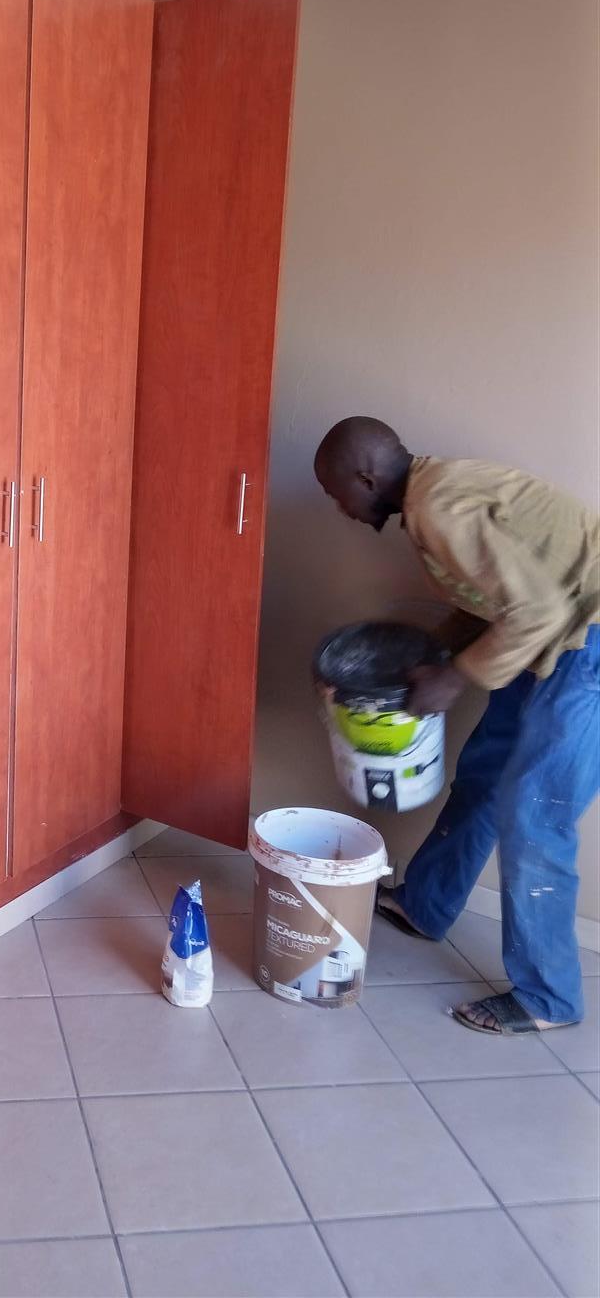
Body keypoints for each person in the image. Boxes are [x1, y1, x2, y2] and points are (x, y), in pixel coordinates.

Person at [314, 417, 599, 1035]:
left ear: (367, 477)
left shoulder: (437, 507)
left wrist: (455, 676)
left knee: (535, 813)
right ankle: (426, 903)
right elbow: (491, 601)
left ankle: (548, 998)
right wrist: (433, 658)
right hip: (551, 634)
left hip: (586, 642)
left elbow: (538, 609)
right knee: (483, 776)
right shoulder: (434, 493)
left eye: (338, 494)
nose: (341, 508)